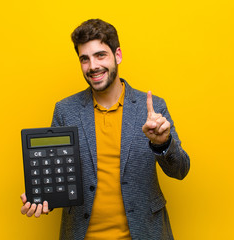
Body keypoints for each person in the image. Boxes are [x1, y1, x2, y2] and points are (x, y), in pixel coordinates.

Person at [20, 19, 190, 240]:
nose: (93, 66)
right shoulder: (65, 110)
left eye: (100, 55)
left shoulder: (153, 108)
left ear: (117, 55)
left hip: (145, 232)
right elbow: (57, 176)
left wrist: (163, 143)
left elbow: (180, 170)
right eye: (84, 59)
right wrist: (43, 200)